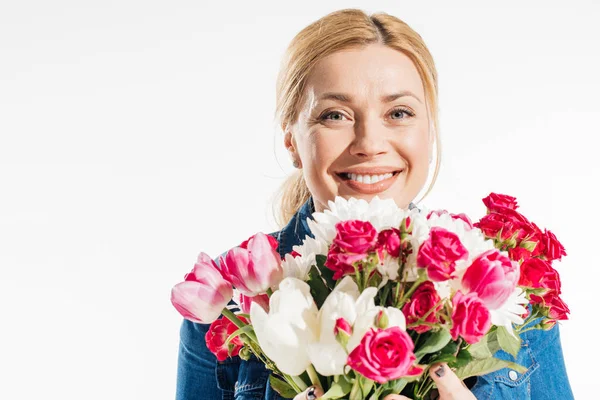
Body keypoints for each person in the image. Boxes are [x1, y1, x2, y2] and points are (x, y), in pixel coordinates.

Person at [175, 8, 573, 400]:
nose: (369, 143)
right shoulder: (230, 295)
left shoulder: (505, 286)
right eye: (335, 115)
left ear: (430, 133)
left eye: (398, 112)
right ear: (292, 141)